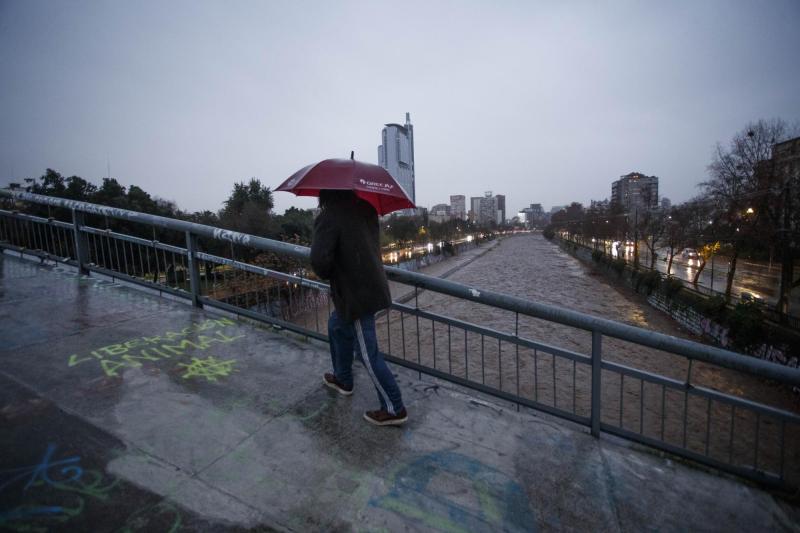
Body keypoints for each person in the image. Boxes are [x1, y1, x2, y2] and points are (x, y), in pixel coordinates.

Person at [310, 189, 407, 426]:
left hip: (356, 296)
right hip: (372, 286)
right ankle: (343, 379)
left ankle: (394, 408)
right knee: (336, 325)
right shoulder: (366, 209)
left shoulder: (329, 217)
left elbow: (320, 263)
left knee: (367, 353)